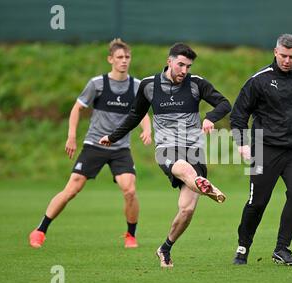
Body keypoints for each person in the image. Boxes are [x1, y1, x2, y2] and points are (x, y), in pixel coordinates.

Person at [99, 43, 231, 267]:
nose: (184, 70)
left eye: (188, 66)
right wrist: (112, 137)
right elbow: (134, 115)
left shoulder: (196, 84)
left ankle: (165, 248)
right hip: (167, 148)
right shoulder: (149, 86)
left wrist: (210, 117)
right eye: (180, 64)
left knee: (187, 209)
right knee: (183, 168)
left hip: (194, 149)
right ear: (169, 61)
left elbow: (224, 103)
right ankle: (203, 184)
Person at [29, 39, 152, 249]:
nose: (124, 61)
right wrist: (71, 136)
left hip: (120, 148)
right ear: (110, 59)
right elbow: (77, 109)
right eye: (120, 57)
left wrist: (147, 129)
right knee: (72, 189)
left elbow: (141, 113)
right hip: (94, 145)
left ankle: (130, 235)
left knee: (130, 190)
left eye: (127, 57)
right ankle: (40, 230)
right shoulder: (98, 84)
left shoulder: (137, 86)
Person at [230, 34, 292, 266]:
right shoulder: (259, 80)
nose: (286, 60)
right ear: (275, 52)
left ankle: (282, 249)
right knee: (258, 202)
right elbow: (239, 114)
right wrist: (242, 144)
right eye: (283, 55)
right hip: (264, 148)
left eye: (291, 57)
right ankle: (243, 248)